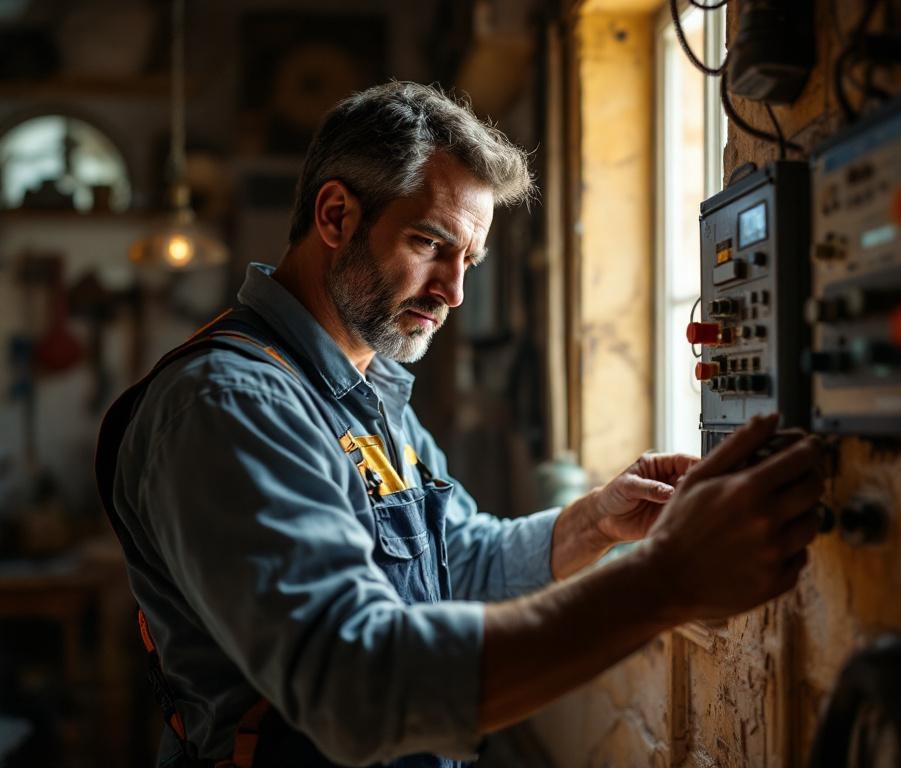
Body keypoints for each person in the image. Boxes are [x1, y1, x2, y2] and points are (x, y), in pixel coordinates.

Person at [96, 82, 825, 768]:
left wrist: (596, 522)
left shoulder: (364, 390)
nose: (453, 292)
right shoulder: (229, 405)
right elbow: (354, 687)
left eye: (468, 260)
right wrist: (669, 581)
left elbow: (457, 562)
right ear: (336, 216)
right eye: (430, 245)